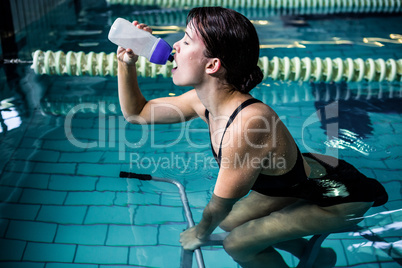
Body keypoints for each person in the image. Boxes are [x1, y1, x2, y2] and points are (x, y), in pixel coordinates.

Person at [116, 7, 388, 268]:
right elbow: (137, 113)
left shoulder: (248, 126)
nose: (174, 46)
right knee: (230, 223)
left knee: (237, 244)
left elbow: (219, 204)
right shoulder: (202, 102)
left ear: (212, 65)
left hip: (338, 197)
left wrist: (199, 232)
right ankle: (314, 256)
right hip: (303, 180)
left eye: (186, 41)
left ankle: (311, 255)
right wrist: (126, 64)